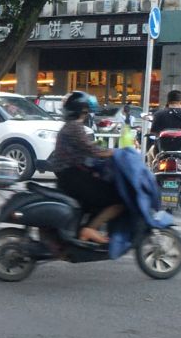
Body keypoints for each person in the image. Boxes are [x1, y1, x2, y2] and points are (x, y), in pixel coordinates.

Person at [47, 92, 126, 243]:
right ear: (81, 111)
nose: (87, 114)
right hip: (73, 177)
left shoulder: (71, 126)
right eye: (85, 111)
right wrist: (117, 152)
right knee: (116, 200)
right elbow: (93, 150)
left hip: (71, 175)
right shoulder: (74, 127)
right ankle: (89, 230)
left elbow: (87, 148)